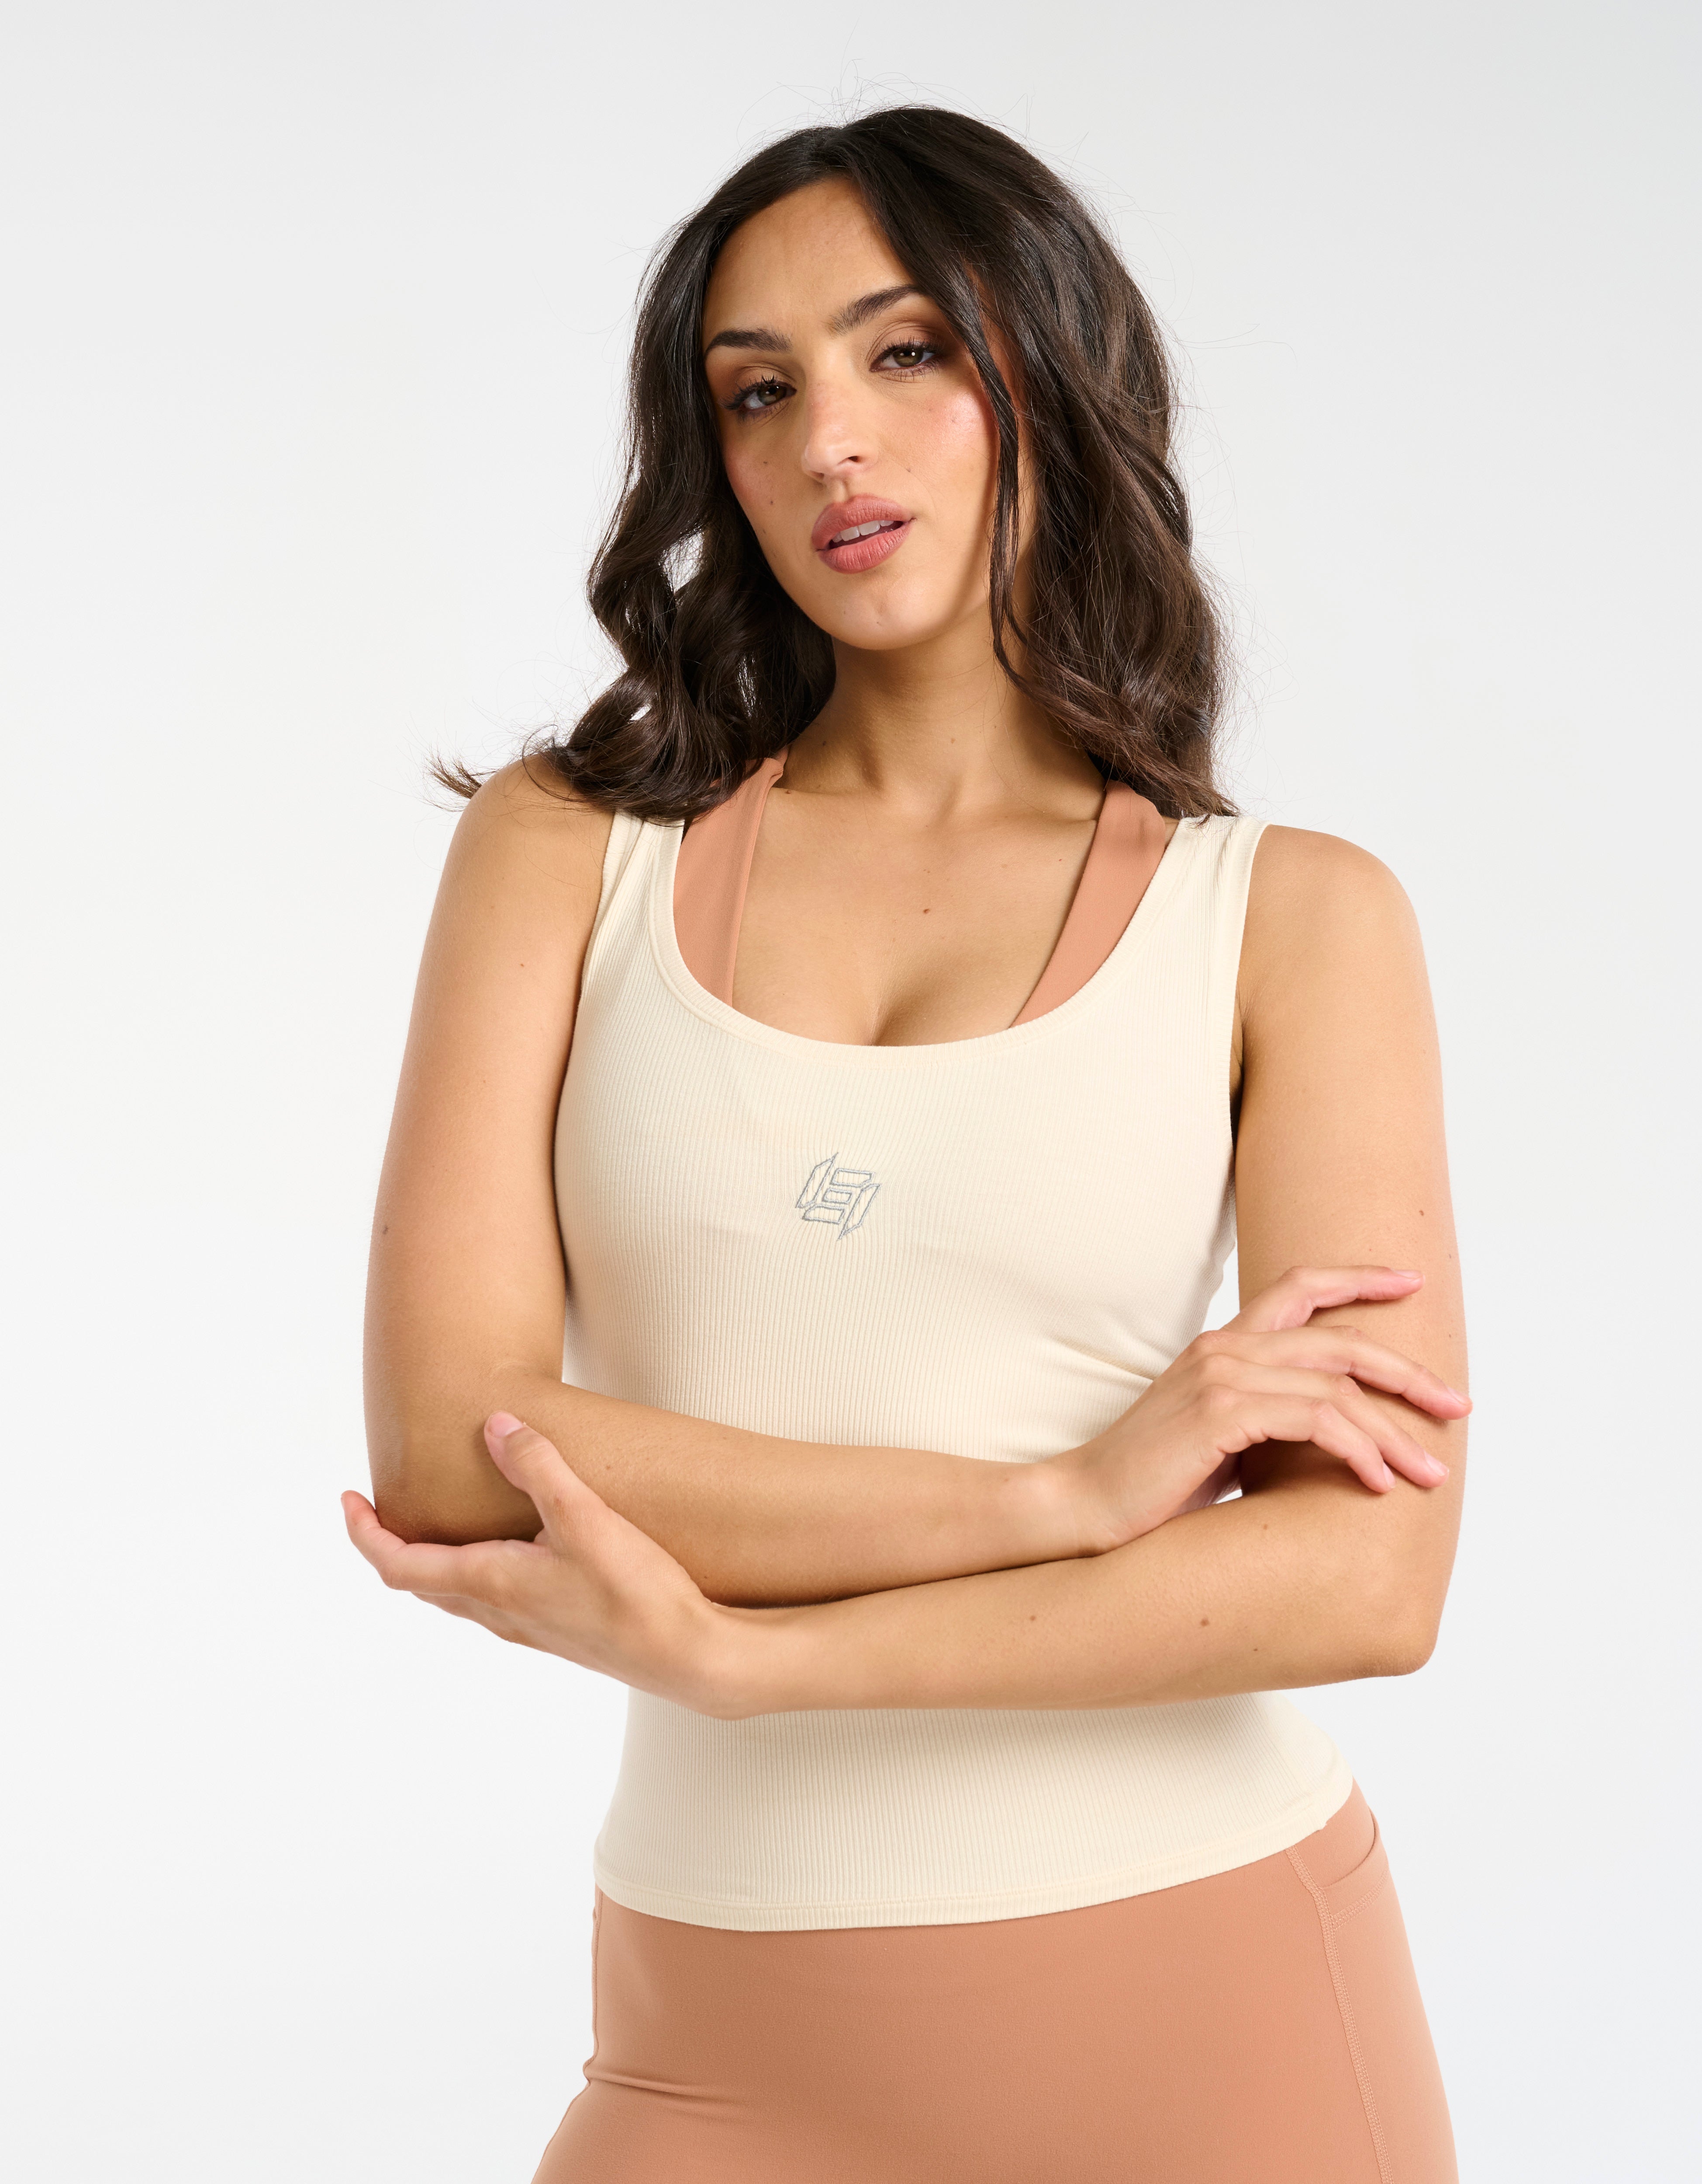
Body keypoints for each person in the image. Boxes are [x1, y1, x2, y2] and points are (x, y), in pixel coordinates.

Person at [344, 106, 1469, 2184]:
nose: (828, 443)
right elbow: (456, 1448)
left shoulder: (1291, 918)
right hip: (714, 2044)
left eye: (904, 351)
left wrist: (752, 1663)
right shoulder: (566, 852)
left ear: (1049, 366)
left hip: (1207, 2002)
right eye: (756, 391)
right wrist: (1063, 1492)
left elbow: (1362, 1567)